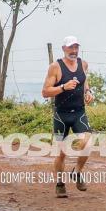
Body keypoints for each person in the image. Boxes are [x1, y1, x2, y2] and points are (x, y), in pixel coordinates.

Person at [41, 35, 94, 198]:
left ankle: (77, 172)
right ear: (64, 49)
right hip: (61, 116)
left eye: (76, 47)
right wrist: (63, 87)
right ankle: (60, 184)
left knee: (88, 142)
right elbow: (45, 92)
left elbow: (85, 82)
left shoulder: (83, 64)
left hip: (79, 112)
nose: (74, 50)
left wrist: (88, 92)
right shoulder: (55, 67)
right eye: (71, 47)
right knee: (61, 153)